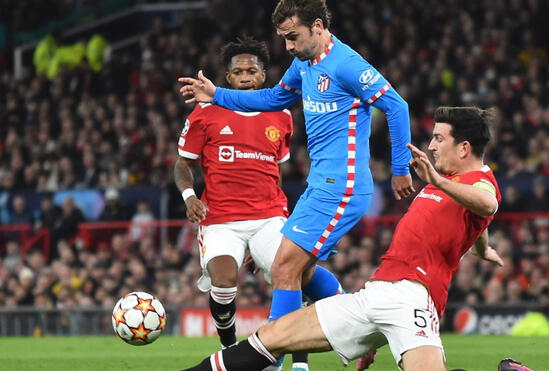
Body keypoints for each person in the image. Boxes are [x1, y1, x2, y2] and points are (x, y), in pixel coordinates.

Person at [180, 107, 507, 371]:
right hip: (373, 295)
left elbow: (487, 203)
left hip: (413, 297)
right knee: (271, 337)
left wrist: (437, 180)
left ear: (464, 147)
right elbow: (479, 221)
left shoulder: (477, 181)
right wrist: (483, 247)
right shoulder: (452, 183)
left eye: (439, 138)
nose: (432, 146)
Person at [179, 2, 414, 368]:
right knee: (300, 272)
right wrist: (218, 95)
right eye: (284, 39)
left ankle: (270, 359)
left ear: (318, 27)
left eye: (292, 37)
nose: (287, 46)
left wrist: (401, 168)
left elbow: (396, 106)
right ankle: (365, 330)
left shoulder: (347, 64)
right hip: (318, 186)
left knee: (286, 268)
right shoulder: (304, 63)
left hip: (344, 185)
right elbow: (274, 98)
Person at [173, 36, 296, 363]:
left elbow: (278, 173)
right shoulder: (205, 113)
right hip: (220, 219)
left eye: (251, 70)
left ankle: (293, 359)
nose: (245, 75)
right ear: (227, 79)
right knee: (224, 283)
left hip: (269, 217)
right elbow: (183, 163)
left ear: (262, 76)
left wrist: (280, 216)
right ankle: (230, 349)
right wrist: (189, 197)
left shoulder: (281, 115)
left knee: (291, 276)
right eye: (238, 71)